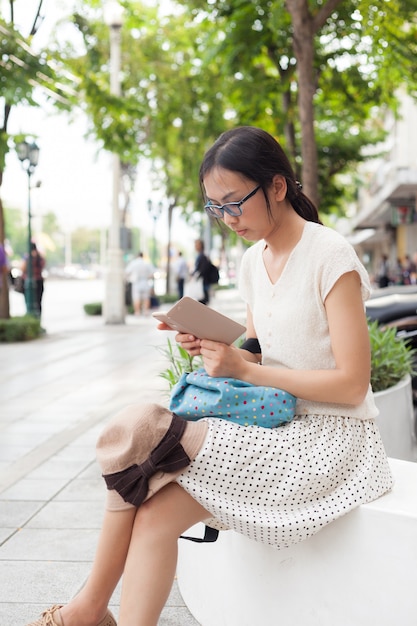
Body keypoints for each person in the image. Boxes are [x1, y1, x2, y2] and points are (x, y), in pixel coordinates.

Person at [27, 126, 393, 626]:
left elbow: (352, 384)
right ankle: (91, 610)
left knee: (144, 430)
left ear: (278, 187)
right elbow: (263, 360)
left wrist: (243, 368)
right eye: (215, 208)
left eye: (234, 203)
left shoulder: (330, 256)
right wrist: (218, 354)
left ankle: (86, 611)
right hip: (279, 425)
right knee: (154, 512)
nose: (226, 219)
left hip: (333, 442)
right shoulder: (250, 261)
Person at [125, 251, 155, 316]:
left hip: (136, 283)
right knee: (146, 298)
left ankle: (137, 312)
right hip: (145, 282)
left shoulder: (133, 263)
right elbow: (152, 274)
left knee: (136, 298)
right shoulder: (146, 263)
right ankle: (146, 311)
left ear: (137, 256)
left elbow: (127, 272)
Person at [21, 242, 45, 317]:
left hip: (29, 282)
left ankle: (31, 318)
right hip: (39, 281)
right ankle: (38, 319)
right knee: (38, 302)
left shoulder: (28, 257)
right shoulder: (40, 257)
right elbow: (43, 265)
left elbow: (22, 268)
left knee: (29, 302)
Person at [192, 238, 211, 304]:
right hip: (202, 282)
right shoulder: (200, 255)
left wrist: (195, 274)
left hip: (203, 283)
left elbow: (203, 269)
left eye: (196, 245)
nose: (195, 246)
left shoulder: (202, 256)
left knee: (203, 302)